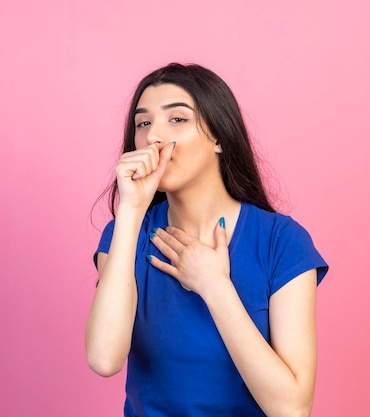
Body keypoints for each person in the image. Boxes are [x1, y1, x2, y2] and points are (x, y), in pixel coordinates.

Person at [85, 63, 328, 417]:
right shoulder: (125, 234)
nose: (153, 136)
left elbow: (291, 409)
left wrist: (215, 287)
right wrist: (132, 211)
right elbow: (104, 358)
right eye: (143, 123)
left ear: (218, 137)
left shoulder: (282, 242)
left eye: (177, 119)